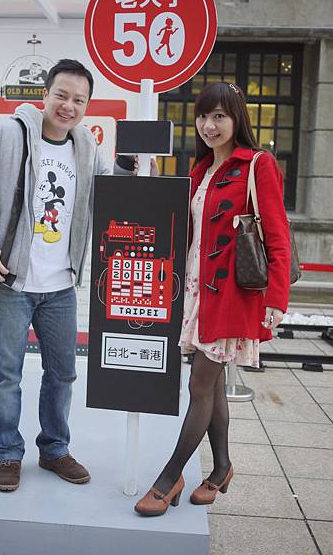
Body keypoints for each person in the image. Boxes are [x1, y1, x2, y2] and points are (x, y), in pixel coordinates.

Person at [0, 59, 128, 492]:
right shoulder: (6, 134)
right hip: (9, 282)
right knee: (6, 376)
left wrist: (137, 170)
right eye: (61, 95)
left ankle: (54, 449)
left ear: (87, 105)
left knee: (63, 374)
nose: (69, 106)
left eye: (79, 100)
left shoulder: (85, 145)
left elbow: (108, 188)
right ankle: (8, 454)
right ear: (45, 95)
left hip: (60, 286)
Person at [134, 81, 291, 516]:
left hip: (232, 297)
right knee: (213, 383)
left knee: (200, 384)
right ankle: (221, 468)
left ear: (237, 118)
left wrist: (277, 298)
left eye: (219, 116)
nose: (209, 125)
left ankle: (169, 478)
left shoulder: (257, 164)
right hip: (197, 290)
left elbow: (278, 235)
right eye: (203, 116)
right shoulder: (201, 169)